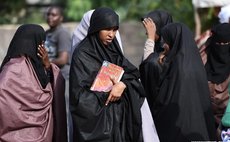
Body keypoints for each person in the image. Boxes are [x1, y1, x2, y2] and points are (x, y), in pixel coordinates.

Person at [70, 7, 159, 142]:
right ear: (96, 28)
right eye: (107, 29)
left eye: (114, 29)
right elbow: (79, 98)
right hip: (99, 125)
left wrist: (123, 85)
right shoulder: (82, 55)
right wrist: (108, 93)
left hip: (120, 122)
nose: (111, 34)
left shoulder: (113, 50)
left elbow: (132, 74)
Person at [148, 22, 216, 141]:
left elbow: (165, 100)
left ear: (174, 41)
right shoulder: (196, 63)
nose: (164, 45)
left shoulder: (177, 68)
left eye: (166, 40)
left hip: (179, 131)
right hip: (199, 129)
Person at [0, 24, 67, 142]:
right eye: (42, 43)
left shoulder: (37, 66)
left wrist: (47, 66)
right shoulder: (14, 68)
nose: (44, 47)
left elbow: (49, 87)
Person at [45, 5, 72, 142]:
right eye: (49, 14)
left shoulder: (62, 33)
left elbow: (63, 59)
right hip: (50, 77)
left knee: (63, 111)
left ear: (61, 17)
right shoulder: (46, 33)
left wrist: (46, 63)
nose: (50, 17)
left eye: (54, 15)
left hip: (62, 78)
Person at [139, 10, 173, 115]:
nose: (147, 32)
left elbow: (148, 65)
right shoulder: (155, 46)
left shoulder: (168, 50)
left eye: (151, 29)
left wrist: (150, 38)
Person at [201, 23, 230, 137]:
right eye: (218, 43)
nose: (222, 47)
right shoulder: (202, 59)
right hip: (203, 120)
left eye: (226, 44)